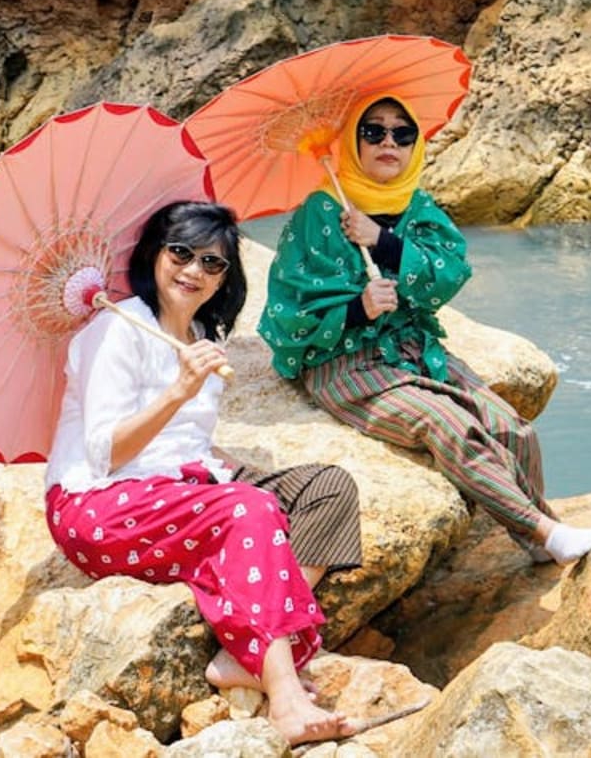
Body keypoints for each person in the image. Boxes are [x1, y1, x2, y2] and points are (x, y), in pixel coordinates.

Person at [44, 201, 362, 746]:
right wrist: (178, 392)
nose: (194, 271)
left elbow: (186, 443)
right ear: (153, 255)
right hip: (99, 504)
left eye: (213, 263)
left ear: (225, 276)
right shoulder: (116, 331)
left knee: (326, 489)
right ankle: (283, 692)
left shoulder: (197, 335)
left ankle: (244, 651)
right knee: (251, 509)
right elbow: (108, 453)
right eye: (181, 254)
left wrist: (227, 465)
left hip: (183, 485)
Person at [259, 97, 591, 564]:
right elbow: (287, 313)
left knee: (512, 428)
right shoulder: (320, 213)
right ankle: (545, 531)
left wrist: (381, 241)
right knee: (448, 425)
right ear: (352, 143)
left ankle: (534, 539)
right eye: (374, 132)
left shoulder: (417, 204)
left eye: (402, 134)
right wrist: (359, 309)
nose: (389, 142)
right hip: (345, 362)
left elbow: (450, 273)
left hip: (413, 348)